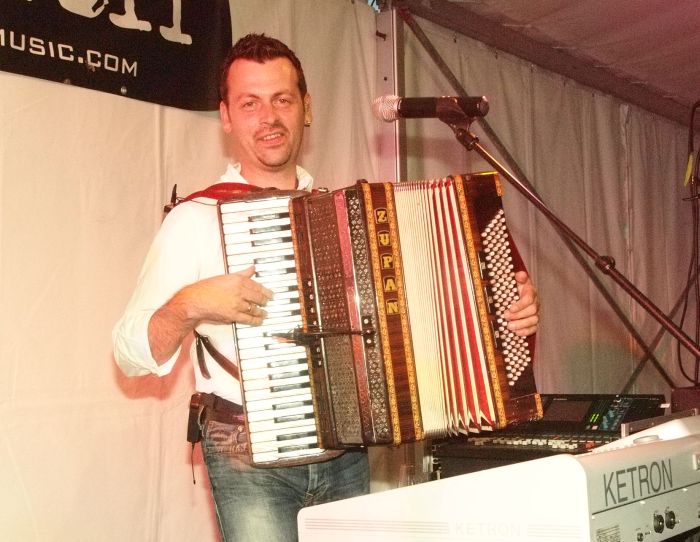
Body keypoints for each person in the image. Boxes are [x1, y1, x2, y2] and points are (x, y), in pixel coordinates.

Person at [112, 33, 540, 542]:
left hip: (346, 451)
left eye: (282, 99)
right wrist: (190, 304)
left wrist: (501, 312)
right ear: (226, 117)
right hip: (246, 453)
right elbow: (128, 352)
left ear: (306, 108)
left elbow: (421, 312)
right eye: (249, 103)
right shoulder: (196, 219)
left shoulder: (344, 216)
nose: (268, 117)